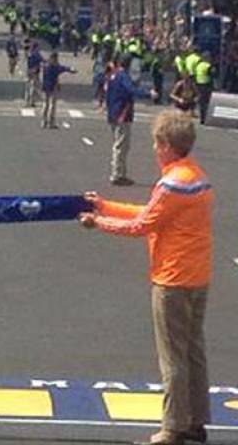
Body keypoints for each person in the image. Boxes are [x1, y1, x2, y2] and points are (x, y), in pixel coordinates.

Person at [79, 110, 212, 445]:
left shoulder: (171, 184)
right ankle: (196, 420)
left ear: (166, 145)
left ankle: (172, 428)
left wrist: (99, 222)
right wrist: (105, 205)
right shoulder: (196, 176)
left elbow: (142, 225)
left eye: (156, 143)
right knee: (194, 351)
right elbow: (152, 213)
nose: (154, 149)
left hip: (172, 279)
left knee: (172, 358)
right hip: (198, 277)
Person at [106, 54, 156, 186]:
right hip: (122, 113)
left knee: (119, 144)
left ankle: (120, 173)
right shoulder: (123, 76)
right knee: (121, 145)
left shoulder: (113, 75)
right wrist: (148, 93)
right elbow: (131, 90)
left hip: (113, 112)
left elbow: (108, 93)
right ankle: (117, 174)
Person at [40, 52, 77, 129]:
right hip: (52, 86)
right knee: (52, 105)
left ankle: (44, 121)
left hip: (45, 86)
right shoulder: (55, 67)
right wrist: (71, 70)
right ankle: (51, 122)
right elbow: (64, 68)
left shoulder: (46, 66)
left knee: (45, 104)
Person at [24, 42, 43, 108]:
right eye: (38, 47)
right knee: (33, 87)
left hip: (29, 71)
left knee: (28, 86)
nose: (39, 49)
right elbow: (42, 60)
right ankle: (32, 102)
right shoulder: (37, 54)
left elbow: (28, 61)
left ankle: (26, 101)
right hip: (35, 72)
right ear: (36, 47)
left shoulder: (30, 53)